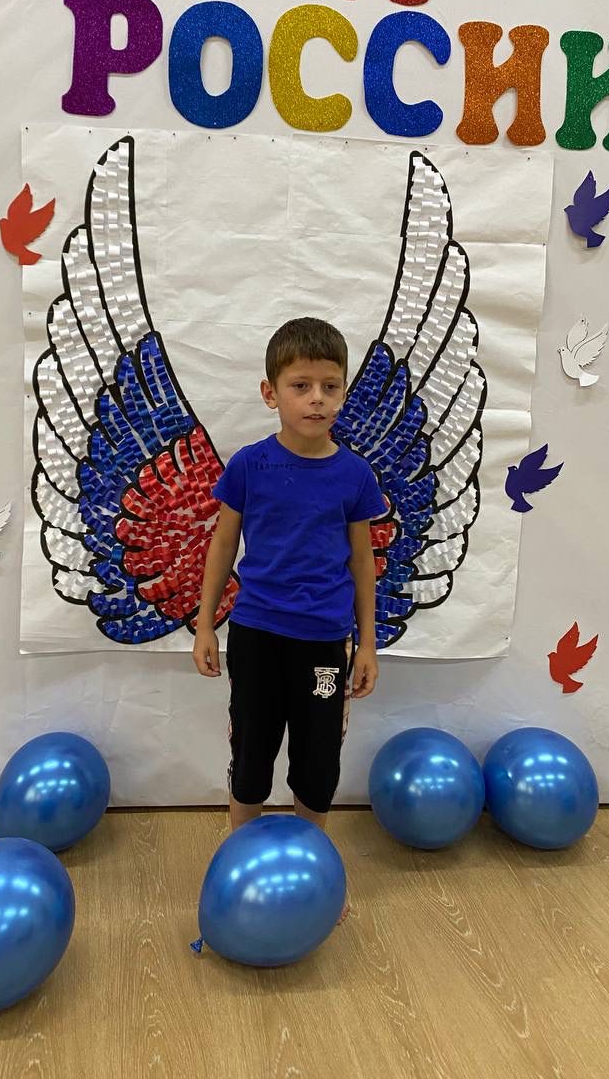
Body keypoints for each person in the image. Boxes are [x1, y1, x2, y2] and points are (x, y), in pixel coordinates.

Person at [192, 316, 384, 922]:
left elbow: (362, 562)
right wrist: (204, 624)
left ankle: (315, 874)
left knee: (318, 756)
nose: (316, 398)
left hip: (324, 646)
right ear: (270, 393)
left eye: (330, 386)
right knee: (252, 750)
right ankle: (236, 864)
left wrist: (367, 644)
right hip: (256, 638)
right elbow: (222, 546)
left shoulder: (354, 475)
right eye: (301, 386)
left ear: (344, 392)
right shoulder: (250, 466)